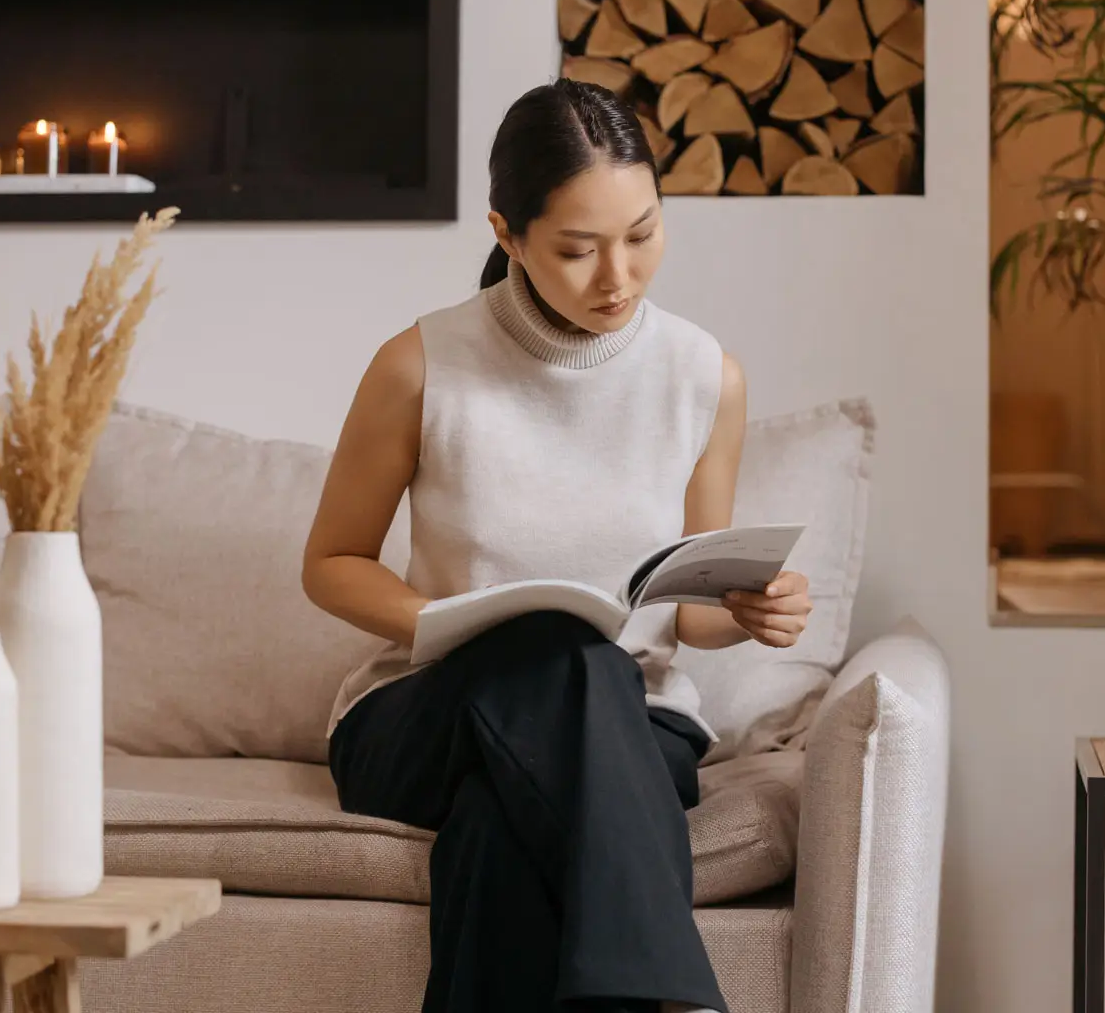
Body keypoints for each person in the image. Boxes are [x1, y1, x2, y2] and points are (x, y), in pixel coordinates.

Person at [302, 78, 812, 1013]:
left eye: (643, 234)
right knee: (550, 647)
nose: (617, 276)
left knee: (501, 826)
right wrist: (446, 619)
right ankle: (673, 994)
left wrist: (748, 610)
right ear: (508, 234)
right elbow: (331, 563)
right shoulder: (421, 364)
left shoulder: (704, 377)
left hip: (632, 727)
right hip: (426, 717)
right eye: (578, 250)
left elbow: (689, 616)